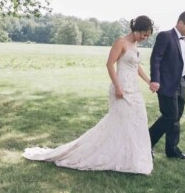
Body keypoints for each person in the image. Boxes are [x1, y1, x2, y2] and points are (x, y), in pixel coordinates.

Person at [23, 15, 155, 175]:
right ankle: (100, 154)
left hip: (134, 90)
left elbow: (136, 67)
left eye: (147, 36)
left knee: (136, 121)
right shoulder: (121, 42)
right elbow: (109, 64)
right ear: (136, 29)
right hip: (121, 89)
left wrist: (149, 82)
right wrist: (117, 86)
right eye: (144, 34)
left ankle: (129, 158)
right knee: (119, 122)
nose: (145, 38)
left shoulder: (135, 45)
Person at [149, 11, 185, 159]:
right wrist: (155, 80)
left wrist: (184, 79)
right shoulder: (165, 36)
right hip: (166, 83)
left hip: (182, 82)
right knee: (170, 115)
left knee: (176, 117)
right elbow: (155, 59)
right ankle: (147, 142)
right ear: (180, 22)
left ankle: (172, 151)